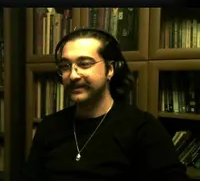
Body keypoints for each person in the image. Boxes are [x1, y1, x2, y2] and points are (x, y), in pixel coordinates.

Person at [24, 28, 186, 180]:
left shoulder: (143, 128)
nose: (73, 75)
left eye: (84, 64)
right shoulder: (49, 126)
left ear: (110, 69)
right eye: (65, 66)